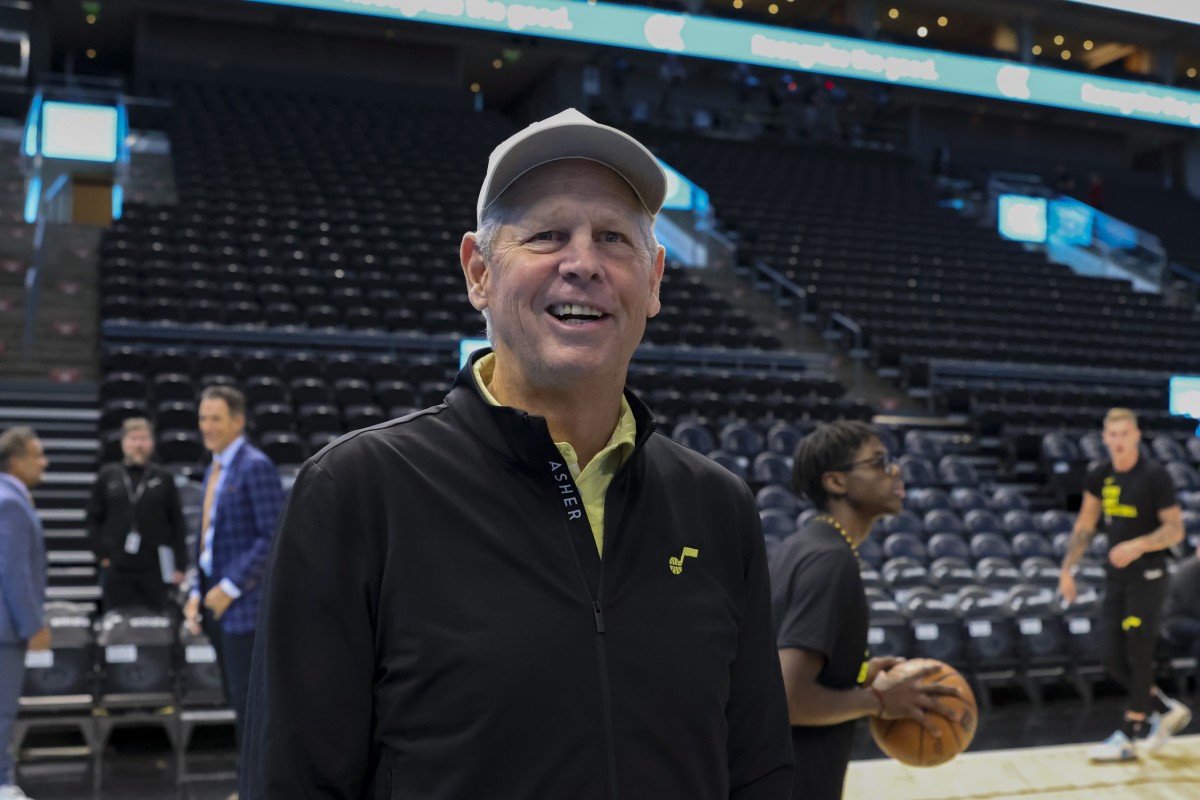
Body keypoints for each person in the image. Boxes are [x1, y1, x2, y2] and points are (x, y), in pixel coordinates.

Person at [242, 108, 794, 799]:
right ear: (479, 271)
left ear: (653, 280)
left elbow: (760, 767)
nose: (584, 264)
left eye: (614, 239)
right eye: (547, 235)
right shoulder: (358, 491)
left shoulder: (717, 506)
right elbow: (294, 781)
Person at [771, 421, 960, 800]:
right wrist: (878, 700)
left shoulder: (799, 546)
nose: (895, 470)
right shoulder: (831, 560)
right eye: (878, 462)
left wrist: (853, 676)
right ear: (836, 482)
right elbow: (784, 699)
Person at [1058, 408, 1190, 761]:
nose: (1117, 441)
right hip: (1115, 576)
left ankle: (1129, 734)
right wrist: (1067, 570)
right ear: (1105, 437)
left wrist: (1139, 544)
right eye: (1111, 434)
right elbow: (1085, 525)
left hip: (1149, 574)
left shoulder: (1155, 475)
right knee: (1112, 659)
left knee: (1139, 650)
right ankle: (1163, 706)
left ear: (1135, 436)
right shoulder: (1100, 474)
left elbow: (1175, 530)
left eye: (1124, 434)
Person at [183, 386, 284, 799]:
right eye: (203, 418)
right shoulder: (216, 466)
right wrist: (195, 588)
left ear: (237, 421)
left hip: (243, 607)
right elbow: (207, 541)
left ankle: (252, 788)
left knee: (249, 706)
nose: (207, 427)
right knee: (234, 700)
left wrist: (227, 586)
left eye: (215, 418)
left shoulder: (254, 466)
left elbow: (271, 537)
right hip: (214, 605)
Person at [87, 418, 187, 612]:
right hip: (116, 567)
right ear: (123, 442)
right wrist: (102, 556)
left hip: (154, 568)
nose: (139, 445)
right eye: (133, 439)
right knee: (117, 625)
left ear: (152, 442)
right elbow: (92, 519)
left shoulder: (163, 477)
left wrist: (180, 566)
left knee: (156, 625)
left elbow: (177, 523)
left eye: (144, 439)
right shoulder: (108, 475)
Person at [0, 427, 50, 800]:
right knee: (2, 713)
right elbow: (13, 571)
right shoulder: (11, 502)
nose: (43, 462)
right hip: (6, 629)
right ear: (16, 461)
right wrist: (33, 624)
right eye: (37, 455)